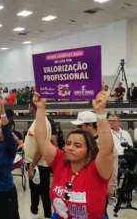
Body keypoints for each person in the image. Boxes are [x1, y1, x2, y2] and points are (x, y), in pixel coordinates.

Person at [33, 86, 114, 219]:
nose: (70, 148)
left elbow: (107, 151)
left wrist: (100, 112)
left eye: (77, 146)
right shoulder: (60, 161)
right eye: (68, 144)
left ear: (89, 150)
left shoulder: (98, 170)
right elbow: (41, 140)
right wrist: (41, 108)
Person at [71, 111, 118, 217]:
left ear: (90, 125)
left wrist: (110, 189)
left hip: (98, 188)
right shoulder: (81, 142)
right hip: (80, 188)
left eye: (80, 125)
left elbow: (113, 167)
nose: (77, 128)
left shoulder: (105, 144)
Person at [24, 102, 55, 219]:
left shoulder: (43, 123)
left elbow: (42, 148)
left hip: (39, 164)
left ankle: (47, 215)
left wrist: (32, 167)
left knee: (43, 192)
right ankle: (34, 211)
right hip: (32, 162)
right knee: (34, 190)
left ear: (32, 107)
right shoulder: (37, 121)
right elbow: (34, 140)